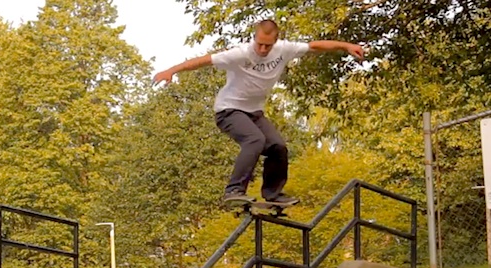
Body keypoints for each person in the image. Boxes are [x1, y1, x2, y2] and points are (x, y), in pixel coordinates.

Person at [152, 19, 365, 207]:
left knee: (278, 146)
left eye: (268, 45)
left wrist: (346, 46)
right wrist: (172, 70)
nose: (262, 49)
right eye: (259, 43)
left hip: (254, 113)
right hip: (228, 110)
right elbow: (203, 61)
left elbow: (315, 46)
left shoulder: (285, 49)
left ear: (276, 41)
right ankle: (233, 191)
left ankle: (273, 194)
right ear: (254, 38)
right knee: (255, 140)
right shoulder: (240, 53)